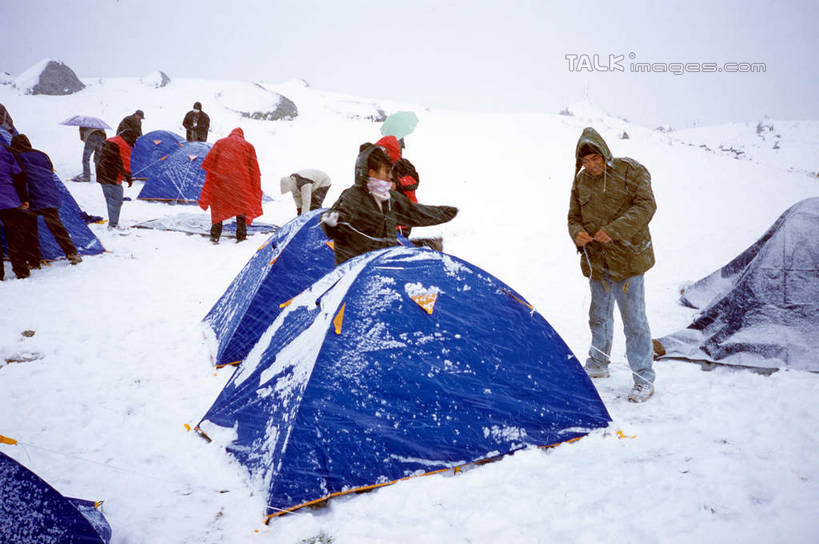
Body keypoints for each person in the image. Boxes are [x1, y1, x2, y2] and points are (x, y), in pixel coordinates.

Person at [568, 126, 657, 403]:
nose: (591, 166)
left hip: (628, 260)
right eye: (585, 161)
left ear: (605, 154)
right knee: (599, 316)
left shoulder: (631, 171)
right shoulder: (581, 181)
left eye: (595, 159)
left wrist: (615, 230)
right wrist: (577, 234)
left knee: (634, 321)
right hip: (597, 261)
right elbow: (573, 216)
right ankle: (598, 363)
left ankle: (643, 378)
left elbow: (646, 207)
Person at [320, 143, 457, 266]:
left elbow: (415, 212)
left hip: (384, 268)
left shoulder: (390, 198)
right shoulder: (353, 197)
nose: (390, 176)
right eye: (386, 171)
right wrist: (331, 224)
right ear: (371, 173)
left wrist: (445, 213)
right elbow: (337, 226)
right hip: (356, 274)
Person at [10, 134, 82, 264]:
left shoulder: (16, 157)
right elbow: (49, 170)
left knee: (30, 231)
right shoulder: (42, 155)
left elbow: (17, 176)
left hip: (30, 196)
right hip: (49, 194)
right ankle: (71, 253)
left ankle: (34, 261)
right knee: (56, 227)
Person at [199, 128, 263, 244]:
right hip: (240, 184)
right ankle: (241, 236)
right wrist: (255, 189)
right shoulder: (248, 146)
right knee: (241, 209)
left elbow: (209, 163)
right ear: (242, 136)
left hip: (221, 182)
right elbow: (254, 171)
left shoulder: (220, 143)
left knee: (218, 209)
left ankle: (215, 236)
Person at [376, 135, 421, 236]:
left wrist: (397, 184)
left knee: (399, 242)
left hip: (404, 215)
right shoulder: (380, 166)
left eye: (383, 150)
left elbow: (414, 181)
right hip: (386, 215)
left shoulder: (404, 164)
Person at [0, 142, 30, 279]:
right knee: (14, 237)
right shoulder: (6, 150)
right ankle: (21, 270)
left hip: (8, 198)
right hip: (9, 199)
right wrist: (24, 197)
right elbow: (19, 174)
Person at [96, 128, 137, 229]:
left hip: (102, 174)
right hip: (112, 177)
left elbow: (98, 156)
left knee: (109, 200)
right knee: (116, 201)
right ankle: (113, 225)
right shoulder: (123, 145)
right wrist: (129, 177)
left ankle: (112, 222)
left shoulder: (109, 140)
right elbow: (125, 163)